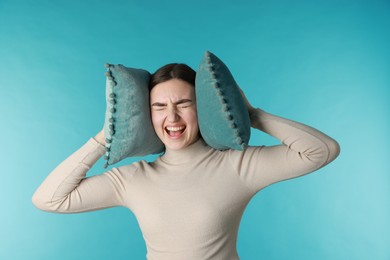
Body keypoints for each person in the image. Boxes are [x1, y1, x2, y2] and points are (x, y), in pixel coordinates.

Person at [32, 63, 340, 260]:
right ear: (147, 113)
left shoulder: (238, 166)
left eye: (184, 104)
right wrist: (105, 137)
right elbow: (49, 199)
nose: (172, 117)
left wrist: (253, 115)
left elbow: (322, 150)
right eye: (159, 106)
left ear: (202, 109)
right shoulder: (133, 178)